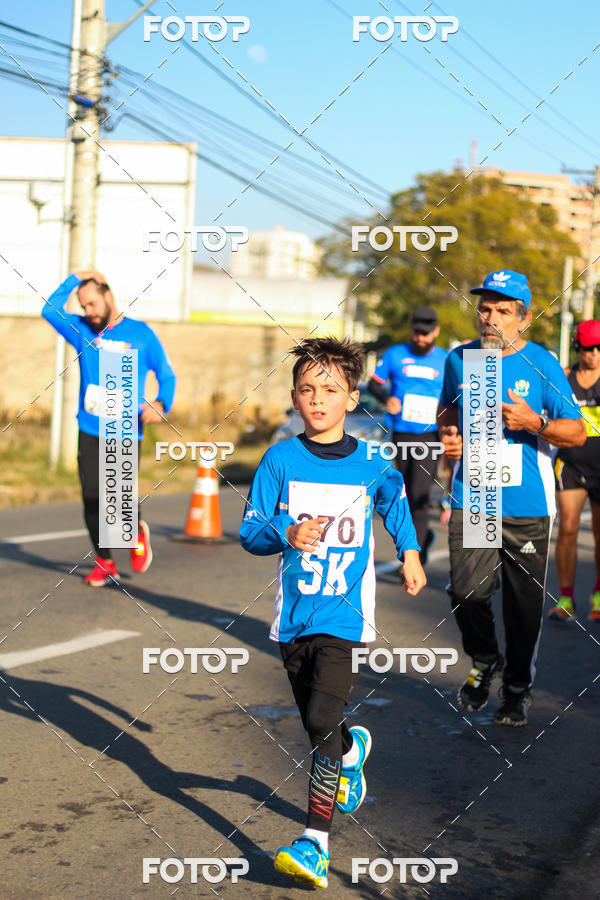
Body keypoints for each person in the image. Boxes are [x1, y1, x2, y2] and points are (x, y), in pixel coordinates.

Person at [239, 336, 426, 888]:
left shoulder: (372, 460)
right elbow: (250, 533)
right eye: (306, 389)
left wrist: (410, 553)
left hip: (344, 616)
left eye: (330, 389)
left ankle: (314, 843)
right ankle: (351, 750)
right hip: (293, 616)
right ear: (295, 399)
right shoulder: (279, 459)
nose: (317, 399)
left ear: (351, 396)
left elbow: (395, 501)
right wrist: (287, 532)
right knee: (320, 728)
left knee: (321, 719)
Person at [438, 270, 586, 727]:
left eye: (503, 311)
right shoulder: (460, 359)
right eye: (485, 308)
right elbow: (446, 409)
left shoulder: (542, 364)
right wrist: (448, 436)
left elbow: (578, 431)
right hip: (475, 497)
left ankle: (517, 691)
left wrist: (535, 424)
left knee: (522, 610)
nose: (491, 318)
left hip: (526, 506)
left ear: (522, 319)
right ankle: (485, 660)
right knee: (465, 592)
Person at [42, 270, 176, 586]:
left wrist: (161, 403)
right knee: (91, 496)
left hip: (125, 428)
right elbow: (50, 309)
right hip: (89, 426)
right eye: (84, 306)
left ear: (108, 296)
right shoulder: (80, 330)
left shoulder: (141, 334)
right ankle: (105, 561)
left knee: (115, 498)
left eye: (92, 303)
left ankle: (135, 529)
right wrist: (75, 278)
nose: (89, 311)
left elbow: (166, 375)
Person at [368, 306, 448, 564]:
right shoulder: (395, 354)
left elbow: (456, 395)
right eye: (416, 332)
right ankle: (420, 540)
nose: (420, 338)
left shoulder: (446, 360)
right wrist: (386, 398)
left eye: (426, 333)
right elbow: (373, 384)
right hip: (401, 434)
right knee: (403, 494)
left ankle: (416, 557)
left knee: (419, 494)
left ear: (436, 332)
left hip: (430, 436)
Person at [549, 319, 600, 622]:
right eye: (589, 347)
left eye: (599, 347)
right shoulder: (565, 378)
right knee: (567, 529)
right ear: (578, 347)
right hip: (570, 463)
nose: (594, 353)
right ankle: (566, 598)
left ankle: (598, 593)